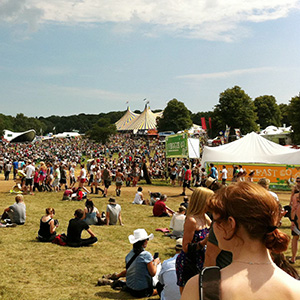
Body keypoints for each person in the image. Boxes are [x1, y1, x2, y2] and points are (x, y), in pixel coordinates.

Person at [181, 182, 300, 300]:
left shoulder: (199, 287)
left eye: (216, 220)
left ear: (231, 224)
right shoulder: (295, 288)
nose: (213, 227)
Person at [98, 229, 161, 298]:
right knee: (161, 288)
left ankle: (113, 279)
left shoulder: (130, 254)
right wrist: (155, 262)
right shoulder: (146, 255)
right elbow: (153, 273)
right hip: (141, 291)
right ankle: (114, 280)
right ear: (144, 242)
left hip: (130, 287)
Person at [176, 187, 213, 293]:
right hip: (190, 264)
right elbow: (186, 247)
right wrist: (204, 242)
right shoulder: (191, 220)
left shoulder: (204, 216)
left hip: (202, 261)